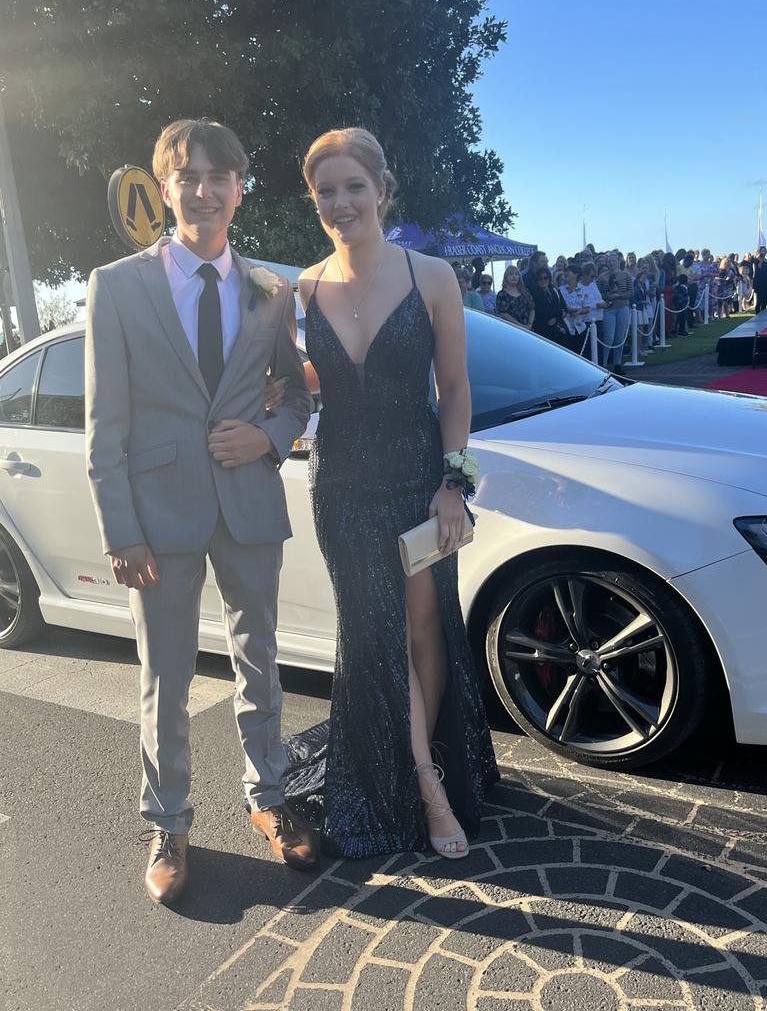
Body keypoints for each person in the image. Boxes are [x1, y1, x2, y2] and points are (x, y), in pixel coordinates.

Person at [85, 119, 317, 904]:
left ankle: (269, 799)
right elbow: (104, 424)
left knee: (261, 661)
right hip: (159, 517)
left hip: (250, 504)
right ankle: (169, 821)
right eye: (188, 177)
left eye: (221, 177)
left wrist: (268, 436)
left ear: (239, 190)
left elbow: (298, 395)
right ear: (165, 187)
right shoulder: (116, 286)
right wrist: (120, 529)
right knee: (166, 676)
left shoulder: (268, 289)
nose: (205, 191)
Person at [290, 127, 498, 860]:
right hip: (341, 484)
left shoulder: (431, 276)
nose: (340, 202)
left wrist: (453, 485)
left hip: (418, 481)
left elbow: (458, 388)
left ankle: (428, 763)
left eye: (353, 186)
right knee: (372, 636)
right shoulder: (305, 285)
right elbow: (305, 384)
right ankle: (426, 787)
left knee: (423, 629)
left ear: (382, 189)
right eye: (326, 191)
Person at [596, 253, 634, 371]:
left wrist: (619, 295)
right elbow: (598, 294)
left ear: (618, 261)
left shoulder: (625, 275)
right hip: (609, 309)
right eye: (609, 261)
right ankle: (604, 364)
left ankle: (617, 364)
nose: (611, 263)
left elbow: (631, 292)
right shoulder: (602, 277)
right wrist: (608, 297)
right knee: (608, 337)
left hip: (622, 307)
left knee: (619, 337)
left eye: (613, 261)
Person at [530, 266, 569, 345]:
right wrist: (546, 322)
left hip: (558, 330)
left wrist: (556, 318)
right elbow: (534, 313)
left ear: (549, 278)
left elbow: (562, 307)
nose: (543, 280)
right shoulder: (532, 294)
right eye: (540, 279)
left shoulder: (555, 291)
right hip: (542, 333)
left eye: (545, 278)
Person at [558, 263, 591, 353]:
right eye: (565, 272)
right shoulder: (560, 290)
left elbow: (587, 309)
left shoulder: (584, 290)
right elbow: (561, 307)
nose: (565, 274)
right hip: (566, 328)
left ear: (576, 274)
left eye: (568, 272)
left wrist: (579, 312)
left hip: (581, 328)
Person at [495, 264, 534, 329]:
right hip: (511, 329)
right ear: (506, 277)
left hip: (527, 329)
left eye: (516, 274)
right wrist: (521, 326)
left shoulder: (525, 292)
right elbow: (504, 314)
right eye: (511, 274)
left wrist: (530, 324)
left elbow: (532, 308)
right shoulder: (501, 295)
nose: (514, 276)